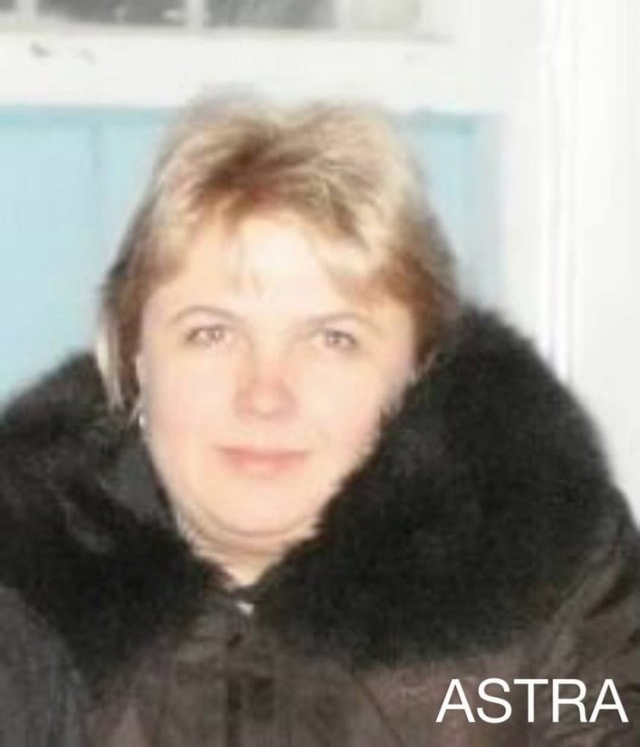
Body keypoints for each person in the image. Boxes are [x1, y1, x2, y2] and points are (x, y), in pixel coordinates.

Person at [0, 96, 638, 746]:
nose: (264, 395)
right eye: (211, 333)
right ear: (134, 361)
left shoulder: (548, 580)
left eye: (333, 339)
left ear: (419, 373)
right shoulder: (22, 591)